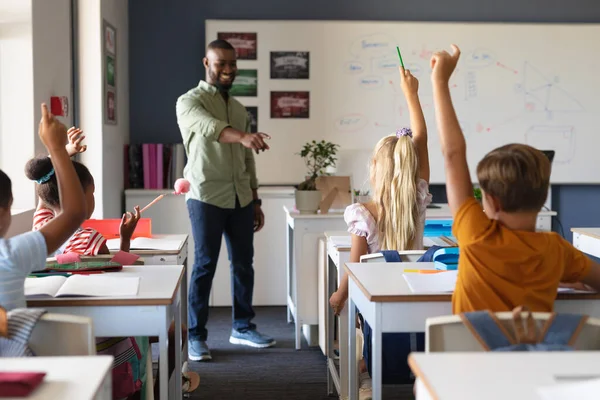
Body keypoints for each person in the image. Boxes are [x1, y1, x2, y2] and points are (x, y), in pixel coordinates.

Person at [429, 44, 600, 313]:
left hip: (468, 354)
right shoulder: (557, 251)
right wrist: (573, 281)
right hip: (534, 354)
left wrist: (439, 81)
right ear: (543, 196)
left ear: (493, 203)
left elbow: (452, 154)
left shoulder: (477, 234)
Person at [329, 67, 431, 398]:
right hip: (417, 298)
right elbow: (422, 140)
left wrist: (340, 295)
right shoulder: (417, 200)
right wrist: (412, 94)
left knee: (354, 310)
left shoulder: (363, 214)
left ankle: (365, 367)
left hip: (377, 303)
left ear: (375, 168)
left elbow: (356, 268)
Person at [176, 39, 273, 362]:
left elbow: (247, 160)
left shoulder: (240, 109)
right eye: (221, 64)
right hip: (206, 196)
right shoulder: (189, 102)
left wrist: (255, 199)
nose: (229, 70)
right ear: (207, 63)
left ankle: (242, 327)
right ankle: (195, 336)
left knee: (244, 264)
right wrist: (243, 136)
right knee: (205, 266)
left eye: (233, 64)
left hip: (241, 197)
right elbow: (210, 128)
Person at [0, 104, 87, 310]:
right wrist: (56, 148)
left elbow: (42, 179)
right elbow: (74, 213)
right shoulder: (10, 255)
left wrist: (64, 152)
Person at [26, 127, 140, 254]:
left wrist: (68, 150)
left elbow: (43, 174)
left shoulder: (41, 225)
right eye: (92, 193)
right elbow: (118, 270)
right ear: (77, 196)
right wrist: (125, 240)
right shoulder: (89, 241)